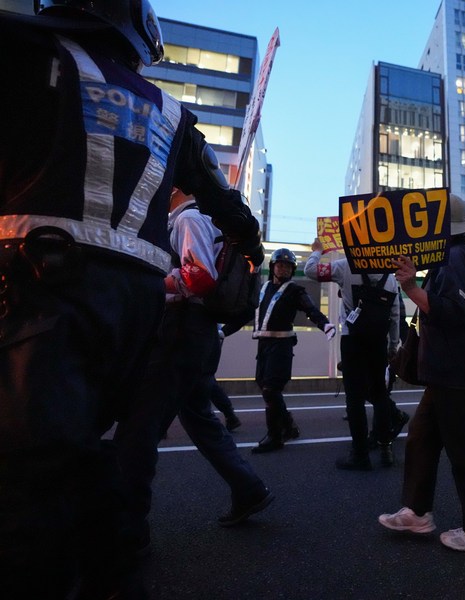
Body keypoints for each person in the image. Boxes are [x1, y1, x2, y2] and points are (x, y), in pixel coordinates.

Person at [0, 2, 263, 596]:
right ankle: (117, 565)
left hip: (41, 291)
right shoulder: (171, 113)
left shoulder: (28, 53)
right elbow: (231, 208)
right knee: (94, 454)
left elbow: (200, 268)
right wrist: (248, 248)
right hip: (137, 315)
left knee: (30, 474)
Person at [114, 188, 273, 557]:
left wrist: (150, 285)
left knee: (139, 428)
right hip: (196, 334)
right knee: (199, 417)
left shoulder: (187, 218)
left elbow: (199, 277)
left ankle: (128, 531)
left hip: (180, 332)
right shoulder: (201, 219)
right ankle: (249, 488)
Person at [379, 193, 465, 551]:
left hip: (458, 371)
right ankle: (416, 512)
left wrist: (410, 286)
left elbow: (449, 311)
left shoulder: (453, 256)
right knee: (421, 438)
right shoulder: (451, 256)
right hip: (449, 370)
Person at [304, 237, 405, 469]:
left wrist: (318, 251)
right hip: (378, 342)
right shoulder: (390, 277)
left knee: (355, 397)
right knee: (380, 394)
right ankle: (386, 449)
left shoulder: (346, 266)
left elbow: (311, 271)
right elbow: (395, 315)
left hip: (353, 340)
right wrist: (392, 346)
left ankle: (360, 454)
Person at [234, 248, 335, 453]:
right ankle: (289, 427)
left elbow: (311, 309)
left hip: (282, 346)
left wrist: (325, 324)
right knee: (265, 386)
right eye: (280, 265)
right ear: (273, 267)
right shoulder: (263, 288)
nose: (284, 269)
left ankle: (275, 436)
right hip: (264, 345)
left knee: (271, 389)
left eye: (288, 266)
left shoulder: (295, 290)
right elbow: (246, 312)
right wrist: (224, 330)